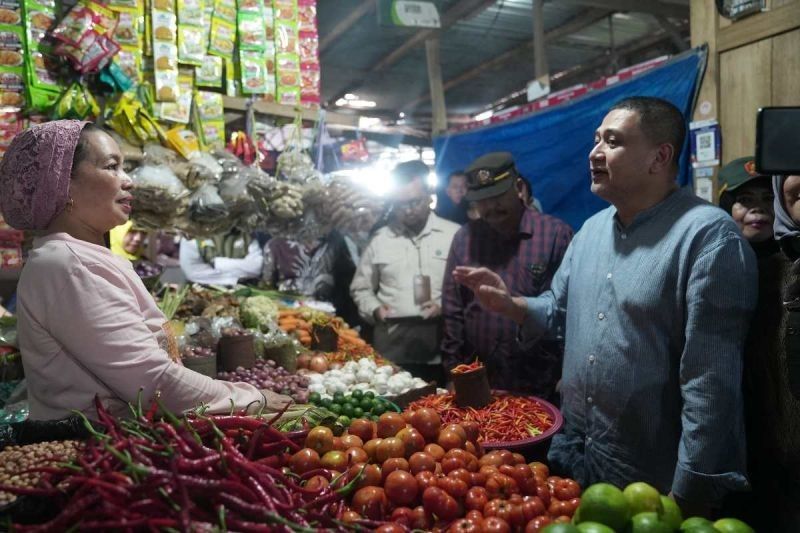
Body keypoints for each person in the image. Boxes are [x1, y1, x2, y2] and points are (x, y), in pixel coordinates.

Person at [453, 97, 757, 515]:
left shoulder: (707, 238)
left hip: (653, 476)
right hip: (575, 453)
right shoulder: (591, 232)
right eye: (596, 139)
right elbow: (558, 311)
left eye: (612, 142)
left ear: (659, 156)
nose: (594, 152)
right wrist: (513, 305)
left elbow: (711, 382)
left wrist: (690, 494)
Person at [0, 121, 289, 420]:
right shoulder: (71, 265)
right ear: (63, 183)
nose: (129, 181)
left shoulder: (75, 256)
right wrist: (250, 399)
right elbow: (152, 381)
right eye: (112, 167)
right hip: (101, 452)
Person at [441, 152, 573, 399]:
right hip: (478, 378)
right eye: (482, 200)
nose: (490, 207)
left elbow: (567, 311)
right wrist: (452, 373)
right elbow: (453, 311)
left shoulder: (555, 235)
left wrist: (567, 374)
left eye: (497, 196)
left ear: (519, 188)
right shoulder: (465, 239)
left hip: (539, 380)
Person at [350, 160, 459, 383]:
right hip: (391, 352)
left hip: (440, 352)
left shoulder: (454, 235)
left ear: (430, 195)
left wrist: (443, 307)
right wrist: (375, 309)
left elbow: (467, 292)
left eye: (414, 202)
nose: (408, 210)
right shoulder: (380, 239)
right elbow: (361, 289)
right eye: (400, 204)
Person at [263, 230, 361, 328]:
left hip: (327, 315)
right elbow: (267, 286)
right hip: (288, 317)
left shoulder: (337, 241)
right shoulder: (275, 245)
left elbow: (350, 279)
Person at [179, 228, 263, 286]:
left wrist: (217, 263)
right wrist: (234, 278)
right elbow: (193, 273)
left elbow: (256, 268)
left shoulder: (245, 235)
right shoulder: (192, 237)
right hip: (201, 290)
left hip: (244, 290)